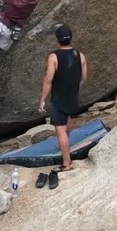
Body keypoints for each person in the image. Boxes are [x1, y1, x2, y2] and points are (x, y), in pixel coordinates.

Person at [39, 24, 87, 175]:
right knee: (67, 127)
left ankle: (67, 163)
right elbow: (83, 77)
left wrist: (42, 100)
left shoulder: (54, 57)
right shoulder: (80, 55)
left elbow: (48, 79)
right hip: (73, 96)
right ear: (70, 38)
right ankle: (66, 150)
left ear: (57, 40)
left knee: (60, 131)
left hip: (59, 98)